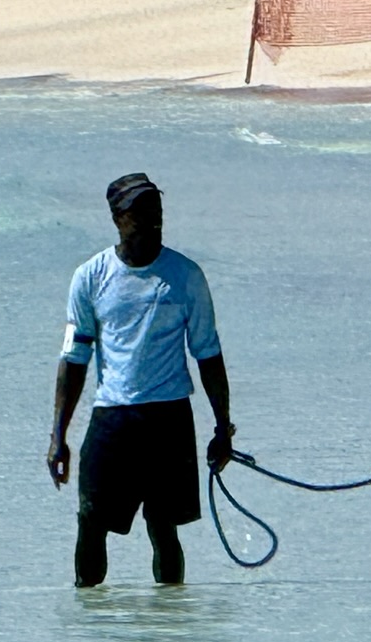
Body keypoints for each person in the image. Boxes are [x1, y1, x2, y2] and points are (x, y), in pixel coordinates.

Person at [47, 173, 235, 588]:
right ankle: (89, 626)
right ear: (117, 218)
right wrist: (57, 436)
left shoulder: (185, 276)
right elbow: (74, 360)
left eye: (157, 210)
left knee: (163, 527)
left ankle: (168, 629)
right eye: (140, 212)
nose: (153, 219)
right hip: (112, 418)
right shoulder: (90, 277)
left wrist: (223, 428)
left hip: (169, 419)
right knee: (90, 520)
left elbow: (208, 354)